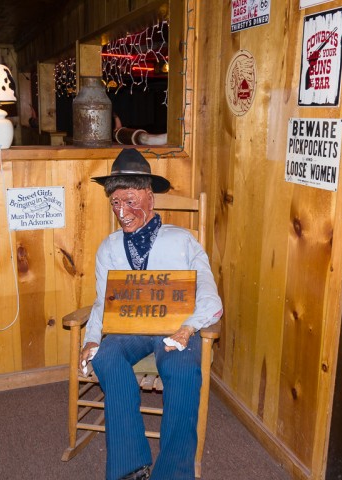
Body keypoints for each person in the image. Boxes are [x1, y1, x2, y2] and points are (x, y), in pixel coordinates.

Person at [80, 148, 223, 480]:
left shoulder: (181, 241)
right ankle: (130, 465)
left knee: (183, 369)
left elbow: (210, 295)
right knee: (106, 357)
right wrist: (90, 339)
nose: (122, 211)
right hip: (131, 328)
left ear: (149, 197)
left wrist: (189, 328)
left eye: (130, 200)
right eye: (115, 203)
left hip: (177, 326)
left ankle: (173, 472)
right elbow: (104, 301)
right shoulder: (110, 247)